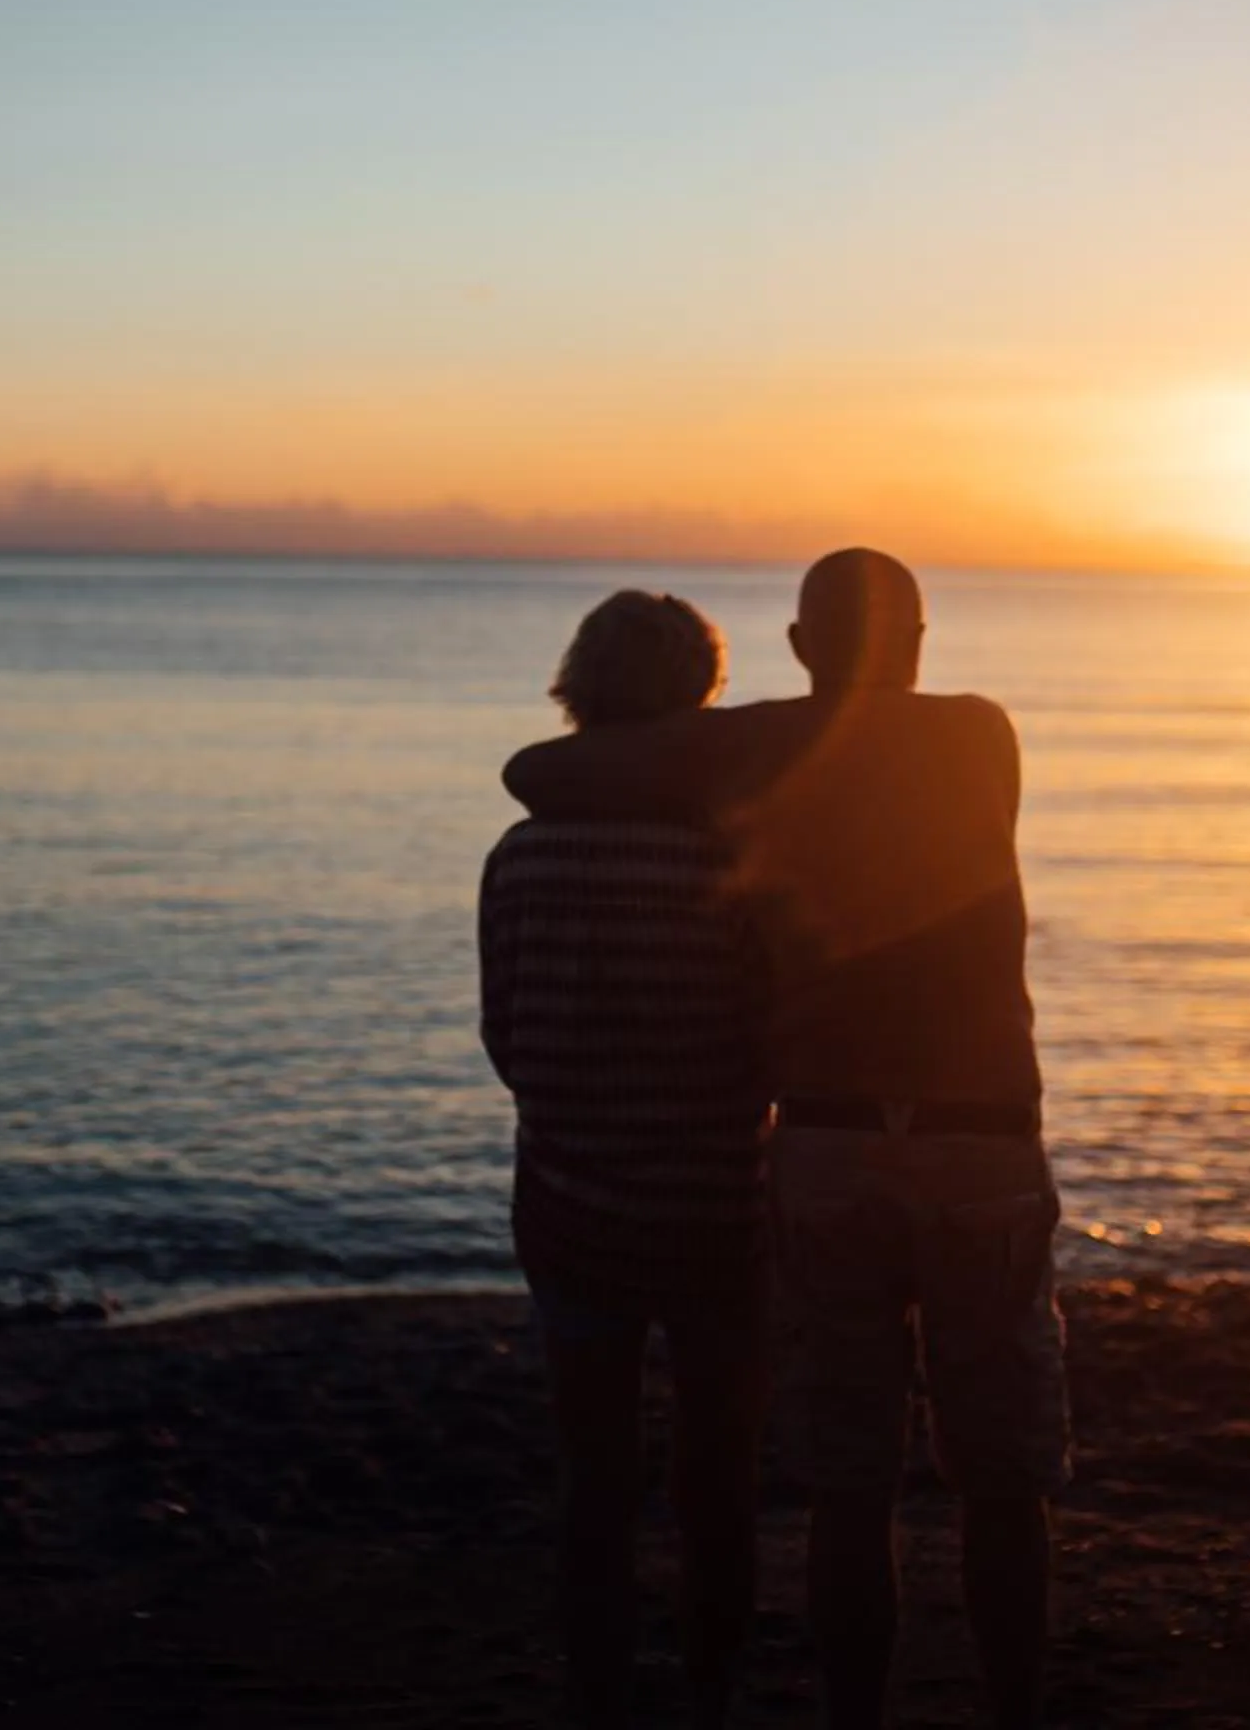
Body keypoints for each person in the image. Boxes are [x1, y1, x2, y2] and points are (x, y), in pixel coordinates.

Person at [503, 549, 1068, 1730]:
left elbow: (538, 769)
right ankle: (1014, 1710)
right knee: (1002, 1478)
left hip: (827, 1146)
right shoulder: (982, 733)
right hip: (980, 1143)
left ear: (802, 650)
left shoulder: (763, 744)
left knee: (848, 1487)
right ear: (924, 638)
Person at [478, 589, 772, 1730]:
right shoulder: (730, 858)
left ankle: (596, 1690)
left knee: (593, 1479)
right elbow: (769, 1033)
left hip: (567, 1201)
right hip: (718, 1207)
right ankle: (714, 1687)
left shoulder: (518, 854)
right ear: (699, 698)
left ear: (578, 687)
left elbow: (509, 1038)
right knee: (718, 1477)